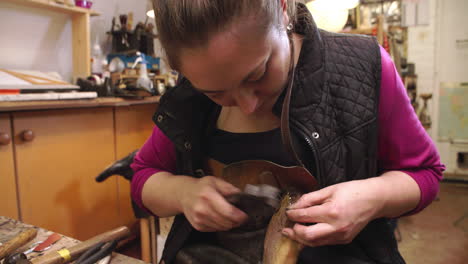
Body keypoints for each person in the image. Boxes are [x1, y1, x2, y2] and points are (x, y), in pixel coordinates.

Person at [131, 0, 445, 263]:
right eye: (215, 92)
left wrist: (371, 200)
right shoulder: (189, 98)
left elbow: (426, 173)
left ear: (283, 9)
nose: (248, 106)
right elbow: (143, 179)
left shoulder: (364, 68)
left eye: (258, 74)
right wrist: (182, 193)